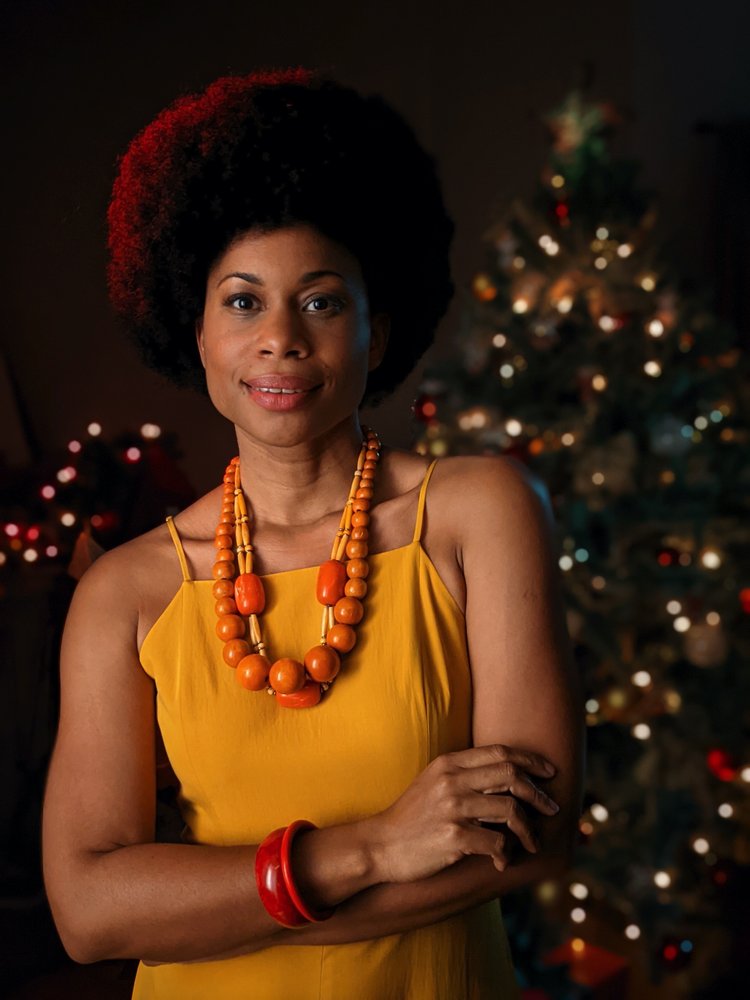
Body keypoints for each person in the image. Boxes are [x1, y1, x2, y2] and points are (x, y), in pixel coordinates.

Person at [42, 67, 584, 999]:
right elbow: (89, 913)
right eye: (242, 301)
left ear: (378, 332)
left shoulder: (478, 512)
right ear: (197, 331)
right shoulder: (125, 594)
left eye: (324, 301)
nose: (281, 339)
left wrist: (217, 907)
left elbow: (536, 838)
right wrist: (369, 850)